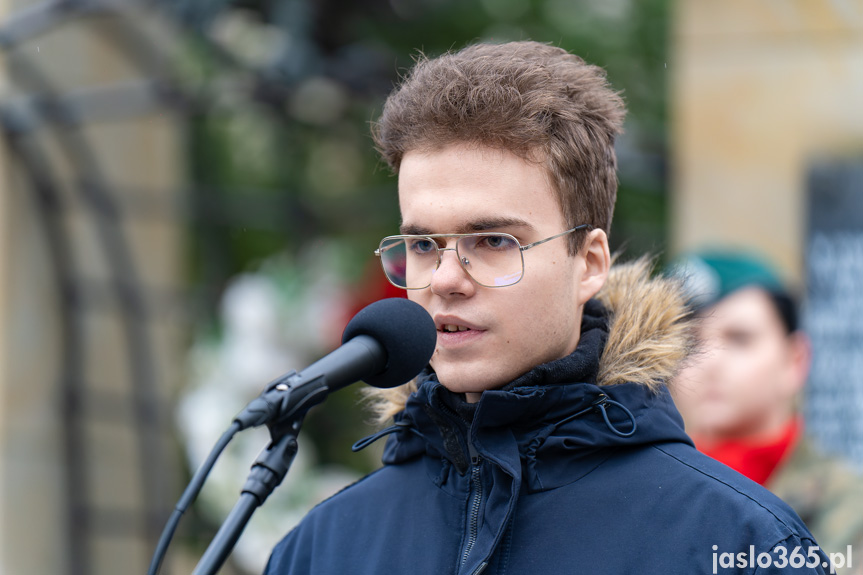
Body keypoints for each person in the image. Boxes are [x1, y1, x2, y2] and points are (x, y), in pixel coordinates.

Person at [264, 41, 834, 574]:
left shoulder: (742, 540)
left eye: (491, 242)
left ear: (588, 263)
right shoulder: (320, 547)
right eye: (421, 245)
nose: (444, 280)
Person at [670, 250, 863, 572]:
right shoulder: (649, 494)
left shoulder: (850, 507)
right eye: (689, 343)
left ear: (795, 360)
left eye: (739, 339)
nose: (708, 362)